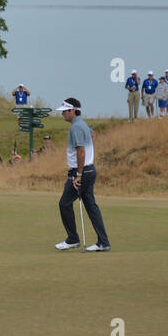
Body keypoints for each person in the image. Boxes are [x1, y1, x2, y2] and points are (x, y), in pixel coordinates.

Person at [54, 98, 111, 252]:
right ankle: (103, 242)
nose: (63, 114)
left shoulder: (76, 127)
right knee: (91, 206)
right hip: (89, 170)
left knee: (64, 203)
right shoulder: (83, 124)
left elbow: (81, 151)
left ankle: (73, 239)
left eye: (65, 111)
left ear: (72, 110)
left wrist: (78, 174)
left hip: (82, 172)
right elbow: (93, 135)